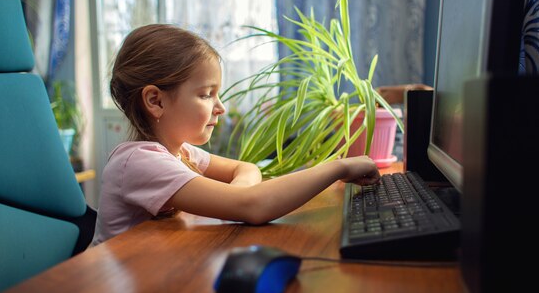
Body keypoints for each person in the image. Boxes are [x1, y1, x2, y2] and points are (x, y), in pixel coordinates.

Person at [89, 24, 380, 247]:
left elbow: (245, 169)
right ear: (156, 101)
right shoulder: (140, 161)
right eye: (206, 95)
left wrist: (240, 195)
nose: (221, 107)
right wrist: (339, 167)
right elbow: (252, 206)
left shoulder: (182, 153)